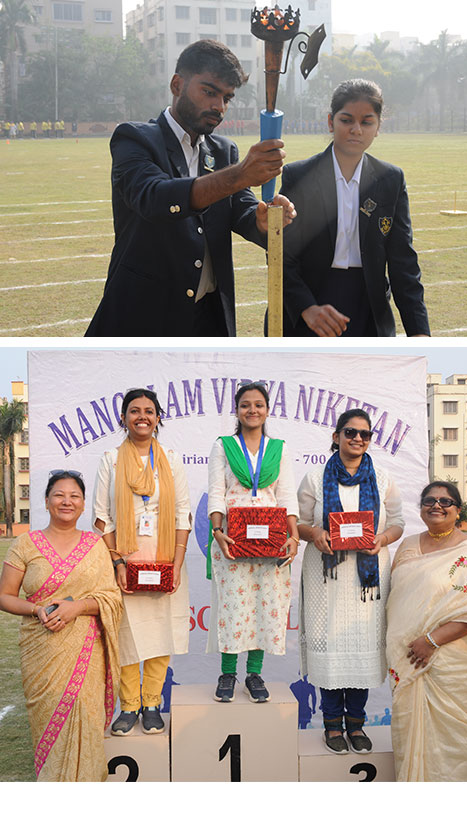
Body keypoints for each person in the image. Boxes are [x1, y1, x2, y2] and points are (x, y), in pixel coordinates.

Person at [88, 39, 297, 337]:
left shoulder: (224, 151)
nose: (219, 106)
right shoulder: (135, 139)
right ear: (177, 85)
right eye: (209, 92)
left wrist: (262, 219)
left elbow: (242, 209)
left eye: (227, 97)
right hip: (144, 318)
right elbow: (155, 197)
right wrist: (240, 175)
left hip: (210, 318)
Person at [279, 79, 428, 337]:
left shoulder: (391, 179)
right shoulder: (298, 175)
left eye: (367, 122)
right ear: (330, 121)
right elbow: (283, 255)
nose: (356, 130)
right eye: (346, 120)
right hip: (311, 307)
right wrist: (306, 307)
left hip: (368, 308)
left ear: (378, 126)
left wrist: (419, 331)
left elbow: (403, 260)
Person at [296, 408, 404, 755]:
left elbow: (399, 522)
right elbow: (295, 523)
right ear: (336, 436)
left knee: (362, 647)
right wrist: (314, 533)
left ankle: (356, 725)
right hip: (325, 578)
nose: (358, 438)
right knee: (329, 645)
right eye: (350, 432)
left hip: (368, 581)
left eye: (365, 434)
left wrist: (383, 539)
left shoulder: (383, 479)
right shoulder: (314, 477)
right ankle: (331, 725)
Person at [3, 472, 124, 780]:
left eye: (74, 496)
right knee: (48, 728)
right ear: (46, 501)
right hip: (41, 653)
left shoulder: (95, 545)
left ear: (83, 505)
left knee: (85, 720)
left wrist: (77, 607)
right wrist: (37, 609)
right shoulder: (25, 544)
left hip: (85, 653)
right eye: (59, 495)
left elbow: (111, 599)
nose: (66, 501)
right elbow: (4, 596)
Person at [86, 390, 189, 737]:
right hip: (124, 561)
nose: (141, 416)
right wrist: (116, 562)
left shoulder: (171, 460)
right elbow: (102, 518)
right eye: (134, 411)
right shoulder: (110, 460)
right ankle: (128, 705)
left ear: (159, 417)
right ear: (123, 418)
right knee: (127, 636)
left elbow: (182, 515)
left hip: (164, 558)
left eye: (149, 411)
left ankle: (151, 703)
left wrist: (175, 564)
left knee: (161, 634)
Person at [386, 482, 467, 781]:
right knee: (409, 736)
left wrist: (431, 641)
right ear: (421, 507)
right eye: (429, 500)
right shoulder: (408, 546)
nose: (437, 506)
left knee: (457, 747)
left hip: (453, 667)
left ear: (458, 510)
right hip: (407, 661)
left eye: (445, 501)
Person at [206, 382, 299, 704]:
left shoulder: (279, 448)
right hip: (233, 538)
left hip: (271, 538)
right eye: (245, 405)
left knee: (265, 606)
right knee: (234, 607)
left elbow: (286, 494)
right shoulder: (223, 446)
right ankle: (228, 673)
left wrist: (294, 536)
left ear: (267, 410)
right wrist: (218, 532)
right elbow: (216, 491)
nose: (252, 410)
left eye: (258, 404)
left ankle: (254, 674)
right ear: (237, 410)